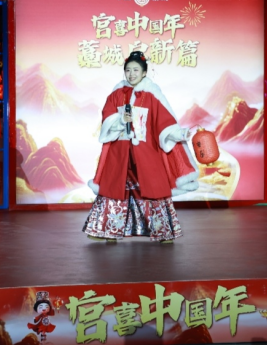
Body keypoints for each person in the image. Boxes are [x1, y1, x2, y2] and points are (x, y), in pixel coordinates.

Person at [82, 51, 199, 243]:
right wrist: (120, 120)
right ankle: (107, 231)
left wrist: (181, 133)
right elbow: (107, 118)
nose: (131, 74)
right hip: (120, 152)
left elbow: (165, 123)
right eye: (128, 70)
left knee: (153, 189)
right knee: (114, 189)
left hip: (146, 153)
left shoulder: (152, 95)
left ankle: (162, 232)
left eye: (136, 70)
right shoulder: (116, 94)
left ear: (144, 72)